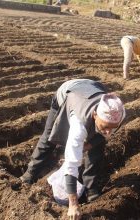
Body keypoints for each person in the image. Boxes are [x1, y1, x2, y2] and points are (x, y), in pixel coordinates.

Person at [20, 79, 125, 219]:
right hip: (67, 94)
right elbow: (71, 164)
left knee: (97, 149)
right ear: (95, 115)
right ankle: (29, 174)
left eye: (112, 128)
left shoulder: (117, 113)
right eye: (105, 127)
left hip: (94, 88)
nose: (109, 133)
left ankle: (91, 188)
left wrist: (88, 145)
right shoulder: (78, 126)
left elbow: (105, 134)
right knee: (48, 138)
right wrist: (73, 204)